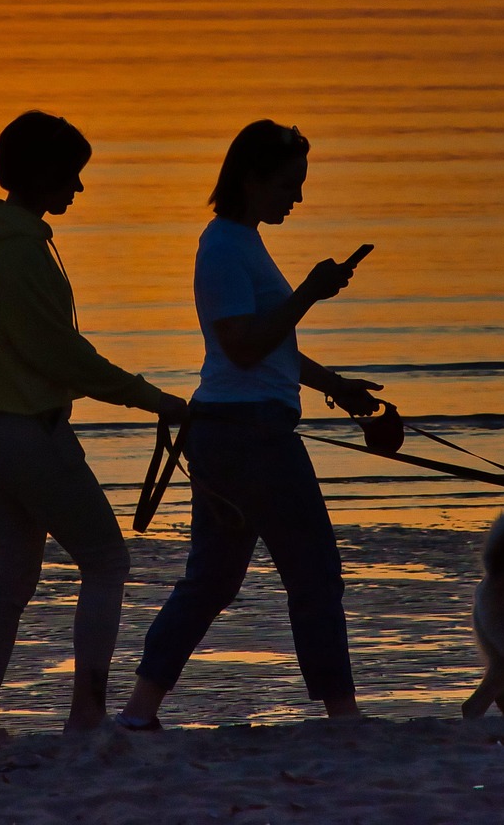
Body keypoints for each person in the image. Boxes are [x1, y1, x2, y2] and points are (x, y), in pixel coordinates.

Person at [117, 120, 383, 728]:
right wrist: (310, 292)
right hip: (250, 434)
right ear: (251, 179)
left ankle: (138, 711)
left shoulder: (240, 241)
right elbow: (240, 345)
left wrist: (334, 385)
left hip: (230, 431)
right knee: (313, 572)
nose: (297, 198)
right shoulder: (222, 247)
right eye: (289, 185)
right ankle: (343, 714)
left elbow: (267, 344)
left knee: (211, 582)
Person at [0, 110, 188, 740]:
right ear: (38, 173)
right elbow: (62, 355)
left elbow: (43, 347)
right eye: (71, 174)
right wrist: (156, 400)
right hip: (30, 432)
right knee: (106, 560)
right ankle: (86, 713)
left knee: (9, 577)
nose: (78, 188)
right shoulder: (20, 253)